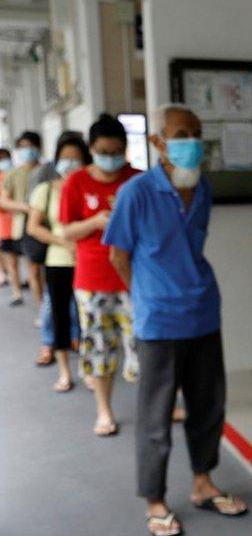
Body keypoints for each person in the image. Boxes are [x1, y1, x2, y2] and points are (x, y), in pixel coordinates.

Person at [104, 104, 247, 536]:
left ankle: (203, 483)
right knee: (156, 415)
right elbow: (118, 256)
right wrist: (147, 297)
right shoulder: (136, 193)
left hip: (204, 311)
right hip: (159, 321)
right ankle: (155, 499)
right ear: (159, 142)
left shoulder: (202, 188)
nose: (192, 142)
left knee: (208, 406)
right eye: (182, 133)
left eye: (197, 133)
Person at [61, 114, 140, 436]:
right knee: (99, 350)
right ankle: (104, 410)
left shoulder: (136, 179)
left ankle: (159, 407)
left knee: (145, 347)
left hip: (135, 278)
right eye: (105, 151)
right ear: (92, 148)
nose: (112, 158)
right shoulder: (76, 182)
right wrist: (95, 222)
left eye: (118, 150)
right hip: (93, 281)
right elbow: (66, 230)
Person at [27, 135, 90, 392]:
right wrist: (63, 242)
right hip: (58, 261)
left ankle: (88, 368)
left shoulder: (88, 187)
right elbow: (33, 227)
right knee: (60, 315)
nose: (70, 162)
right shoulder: (46, 190)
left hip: (88, 262)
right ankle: (64, 370)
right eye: (66, 157)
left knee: (88, 318)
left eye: (76, 158)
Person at [1, 132, 45, 313]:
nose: (27, 150)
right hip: (23, 229)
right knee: (32, 269)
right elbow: (4, 200)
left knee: (47, 272)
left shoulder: (47, 171)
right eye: (23, 146)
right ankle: (42, 309)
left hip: (46, 227)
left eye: (30, 146)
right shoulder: (12, 175)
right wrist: (27, 208)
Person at [0, 148, 15, 291]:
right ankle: (5, 275)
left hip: (15, 224)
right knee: (8, 257)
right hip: (3, 224)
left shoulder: (14, 174)